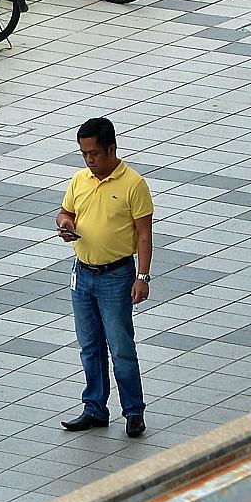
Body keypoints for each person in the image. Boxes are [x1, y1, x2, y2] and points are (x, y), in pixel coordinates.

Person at [56, 117, 153, 437]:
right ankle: (94, 407)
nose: (89, 160)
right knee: (89, 345)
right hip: (82, 274)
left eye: (94, 153)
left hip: (116, 276)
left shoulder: (133, 184)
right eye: (84, 154)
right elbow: (65, 212)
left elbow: (144, 234)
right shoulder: (79, 180)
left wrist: (143, 276)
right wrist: (65, 225)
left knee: (121, 345)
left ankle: (134, 410)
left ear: (111, 148)